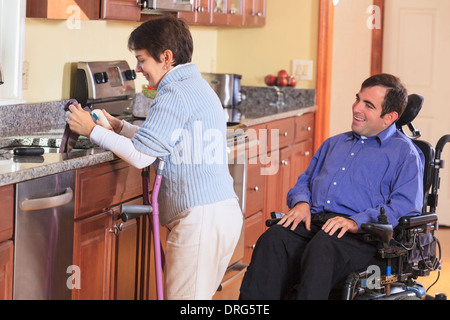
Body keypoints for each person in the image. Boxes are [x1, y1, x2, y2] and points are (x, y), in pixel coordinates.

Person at [66, 15, 243, 300]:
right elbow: (165, 140)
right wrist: (120, 127)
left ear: (166, 57)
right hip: (217, 215)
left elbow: (141, 156)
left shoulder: (174, 91)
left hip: (200, 222)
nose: (138, 69)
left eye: (141, 60)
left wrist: (91, 130)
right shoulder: (193, 85)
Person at [239, 73, 424, 300]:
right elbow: (305, 181)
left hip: (363, 238)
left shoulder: (405, 154)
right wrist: (301, 203)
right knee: (274, 239)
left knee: (323, 248)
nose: (356, 108)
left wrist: (357, 221)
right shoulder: (334, 143)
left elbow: (405, 205)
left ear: (389, 117)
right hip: (316, 224)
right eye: (358, 99)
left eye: (368, 105)